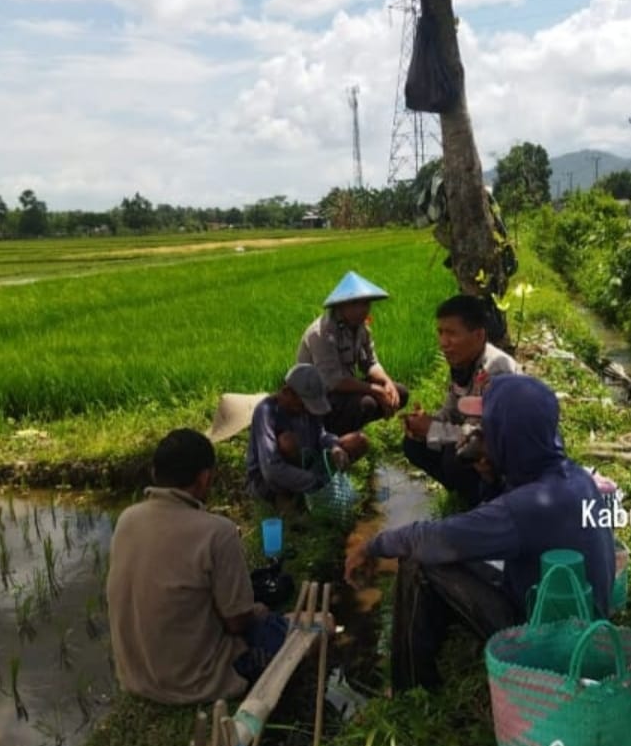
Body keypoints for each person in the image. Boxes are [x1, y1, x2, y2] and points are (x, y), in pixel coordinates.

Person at [344, 374, 615, 692]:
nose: (479, 434)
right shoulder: (573, 477)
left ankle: (410, 689)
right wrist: (492, 480)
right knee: (448, 558)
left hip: (547, 643)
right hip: (576, 624)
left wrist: (371, 546)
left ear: (506, 436)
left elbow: (435, 539)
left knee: (420, 562)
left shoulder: (528, 507)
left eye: (487, 428)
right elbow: (506, 525)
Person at [107, 428, 288, 704]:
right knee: (282, 632)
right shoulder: (219, 532)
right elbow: (237, 621)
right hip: (194, 682)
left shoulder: (127, 519)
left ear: (156, 472)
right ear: (204, 478)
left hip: (136, 678)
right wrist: (258, 612)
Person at [401, 294, 521, 507]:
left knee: (455, 456)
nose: (443, 343)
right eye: (440, 333)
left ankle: (488, 501)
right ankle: (467, 494)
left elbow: (483, 438)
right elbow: (452, 409)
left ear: (478, 335)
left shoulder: (496, 369)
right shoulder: (462, 362)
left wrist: (432, 429)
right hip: (472, 436)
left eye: (452, 334)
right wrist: (425, 423)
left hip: (501, 451)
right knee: (413, 444)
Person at [297, 270, 409, 435]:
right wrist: (375, 390)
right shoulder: (321, 333)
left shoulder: (361, 328)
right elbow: (333, 382)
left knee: (400, 393)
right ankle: (334, 439)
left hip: (344, 391)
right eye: (356, 304)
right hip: (318, 398)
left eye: (366, 304)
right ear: (341, 306)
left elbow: (370, 363)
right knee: (367, 403)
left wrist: (387, 382)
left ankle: (352, 433)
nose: (363, 310)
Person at [245, 364, 367, 510]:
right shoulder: (266, 411)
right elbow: (271, 470)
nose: (305, 410)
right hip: (270, 482)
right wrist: (314, 482)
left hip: (308, 462)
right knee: (287, 442)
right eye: (302, 405)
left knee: (359, 441)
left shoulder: (306, 409)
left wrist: (334, 447)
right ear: (287, 392)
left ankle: (308, 495)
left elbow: (321, 434)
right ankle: (291, 497)